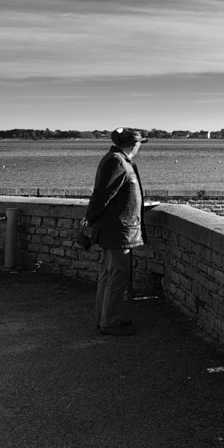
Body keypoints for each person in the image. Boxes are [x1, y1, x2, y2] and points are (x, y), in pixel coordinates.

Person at [81, 127, 148, 336]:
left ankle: (105, 318)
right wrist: (90, 219)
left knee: (109, 275)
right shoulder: (117, 161)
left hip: (115, 229)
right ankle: (109, 322)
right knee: (116, 276)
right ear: (134, 144)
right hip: (118, 230)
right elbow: (102, 195)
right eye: (139, 144)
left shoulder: (116, 159)